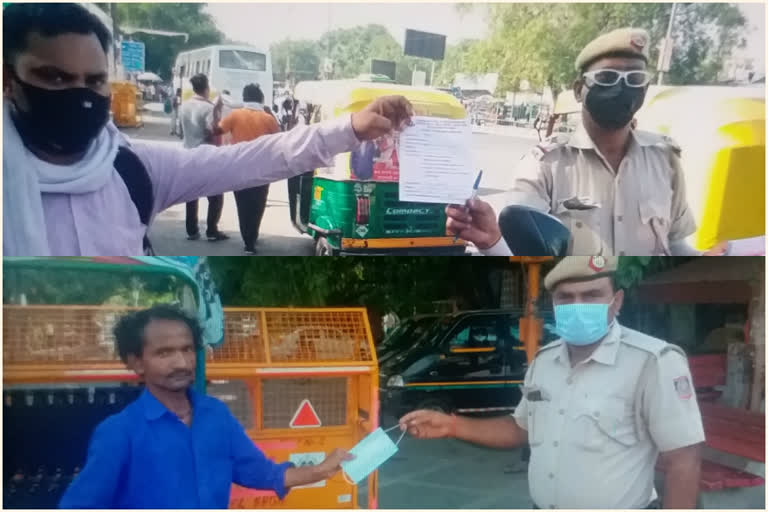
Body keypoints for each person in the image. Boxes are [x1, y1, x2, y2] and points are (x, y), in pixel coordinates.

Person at [3, 3, 413, 256]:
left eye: (93, 81)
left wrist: (351, 129)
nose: (81, 95)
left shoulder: (130, 169)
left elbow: (258, 157)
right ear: (9, 79)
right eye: (55, 79)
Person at [400, 256, 705, 509]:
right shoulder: (544, 361)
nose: (578, 305)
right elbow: (521, 428)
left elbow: (684, 462)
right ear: (554, 305)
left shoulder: (653, 362)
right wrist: (452, 425)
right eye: (566, 298)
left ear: (616, 301)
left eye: (591, 295)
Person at [445, 28, 726, 257]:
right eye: (607, 77)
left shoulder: (665, 161)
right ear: (580, 90)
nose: (622, 87)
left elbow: (675, 247)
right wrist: (491, 241)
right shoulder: (545, 164)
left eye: (635, 78)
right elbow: (520, 248)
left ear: (646, 88)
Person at [58, 305, 353, 508]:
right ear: (136, 362)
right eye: (164, 352)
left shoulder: (216, 415)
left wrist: (321, 470)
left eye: (187, 349)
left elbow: (262, 472)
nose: (181, 362)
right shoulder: (118, 433)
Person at [216, 84, 280, 254]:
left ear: (244, 98)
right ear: (261, 99)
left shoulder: (235, 115)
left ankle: (248, 241)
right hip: (262, 170)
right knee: (258, 204)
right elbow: (279, 139)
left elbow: (217, 130)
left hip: (239, 168)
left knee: (242, 205)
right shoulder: (268, 119)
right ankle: (253, 235)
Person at [179, 73, 229, 242]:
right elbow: (210, 131)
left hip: (187, 154)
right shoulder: (208, 108)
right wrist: (217, 113)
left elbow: (180, 131)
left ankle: (191, 230)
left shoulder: (183, 106)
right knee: (215, 194)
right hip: (206, 155)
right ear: (206, 89)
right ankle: (212, 230)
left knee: (191, 194)